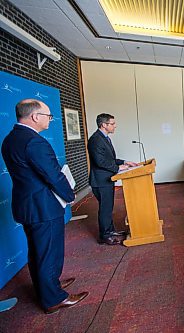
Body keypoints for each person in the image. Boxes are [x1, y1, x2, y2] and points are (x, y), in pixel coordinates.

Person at [1, 99, 88, 314]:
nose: (50, 119)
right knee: (49, 252)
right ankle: (53, 298)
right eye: (48, 115)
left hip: (28, 206)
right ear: (34, 117)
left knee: (38, 251)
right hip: (43, 207)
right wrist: (70, 195)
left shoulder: (11, 138)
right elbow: (53, 175)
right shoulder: (34, 141)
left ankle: (48, 285)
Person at [88, 113, 139, 245]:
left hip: (106, 179)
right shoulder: (95, 139)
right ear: (104, 125)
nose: (115, 126)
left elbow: (109, 159)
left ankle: (111, 231)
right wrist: (118, 168)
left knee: (108, 207)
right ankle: (104, 236)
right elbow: (100, 162)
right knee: (105, 208)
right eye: (112, 124)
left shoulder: (104, 138)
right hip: (100, 181)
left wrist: (126, 162)